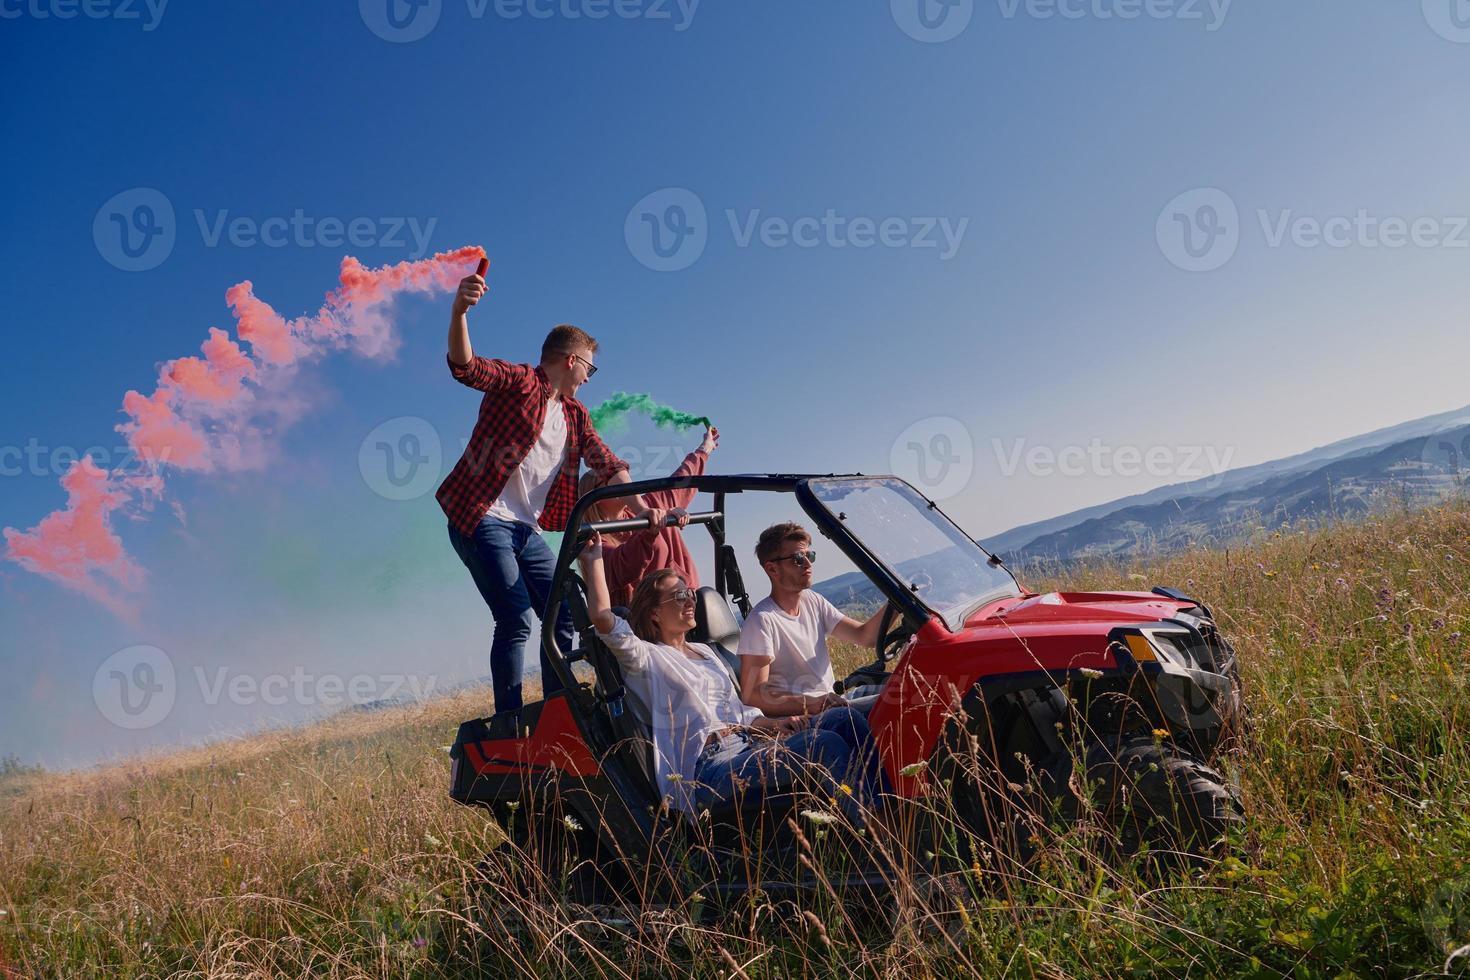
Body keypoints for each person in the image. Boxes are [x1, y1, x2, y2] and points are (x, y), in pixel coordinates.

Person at [437, 264, 661, 718]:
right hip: (482, 517)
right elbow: (466, 367)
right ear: (572, 361)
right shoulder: (521, 382)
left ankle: (559, 712)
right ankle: (511, 720)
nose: (588, 379)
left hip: (524, 528)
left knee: (562, 615)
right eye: (589, 369)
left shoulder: (576, 415)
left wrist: (644, 508)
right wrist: (460, 311)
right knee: (516, 617)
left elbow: (608, 463)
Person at [577, 536, 880, 820]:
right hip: (710, 769)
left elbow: (743, 716)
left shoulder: (706, 653)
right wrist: (594, 563)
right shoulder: (645, 658)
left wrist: (776, 725)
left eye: (690, 593)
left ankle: (890, 809)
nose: (689, 601)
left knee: (844, 719)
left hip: (748, 744)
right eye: (679, 596)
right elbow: (604, 619)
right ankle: (872, 832)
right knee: (824, 743)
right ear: (655, 613)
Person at [737, 522, 887, 719]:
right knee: (895, 705)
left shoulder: (812, 600)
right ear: (772, 569)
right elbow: (753, 695)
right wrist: (814, 703)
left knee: (904, 689)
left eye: (810, 556)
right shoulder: (762, 621)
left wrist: (898, 604)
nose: (808, 564)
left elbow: (865, 637)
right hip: (807, 718)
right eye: (798, 558)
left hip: (832, 704)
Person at [577, 426, 719, 607]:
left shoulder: (650, 505)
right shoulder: (593, 541)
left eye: (623, 477)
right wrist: (651, 527)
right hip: (648, 621)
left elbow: (682, 479)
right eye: (611, 479)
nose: (622, 482)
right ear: (594, 496)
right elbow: (624, 564)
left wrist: (705, 448)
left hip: (688, 602)